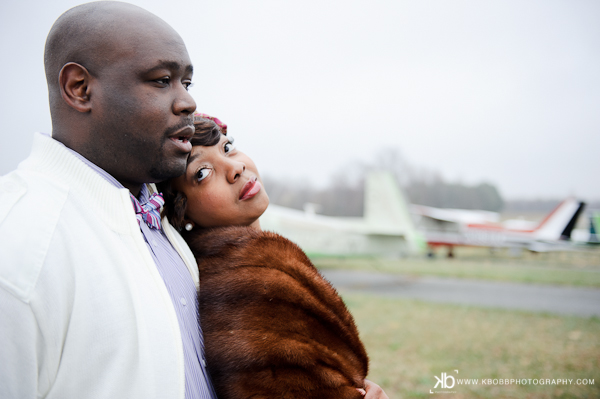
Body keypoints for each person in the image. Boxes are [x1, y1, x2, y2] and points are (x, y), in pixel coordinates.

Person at [0, 2, 217, 398]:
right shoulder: (19, 242)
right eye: (161, 80)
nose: (187, 102)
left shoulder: (156, 218)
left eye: (187, 83)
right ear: (79, 89)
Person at [157, 115, 390, 399]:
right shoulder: (250, 280)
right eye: (203, 173)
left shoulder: (233, 266)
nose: (235, 167)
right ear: (182, 212)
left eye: (227, 148)